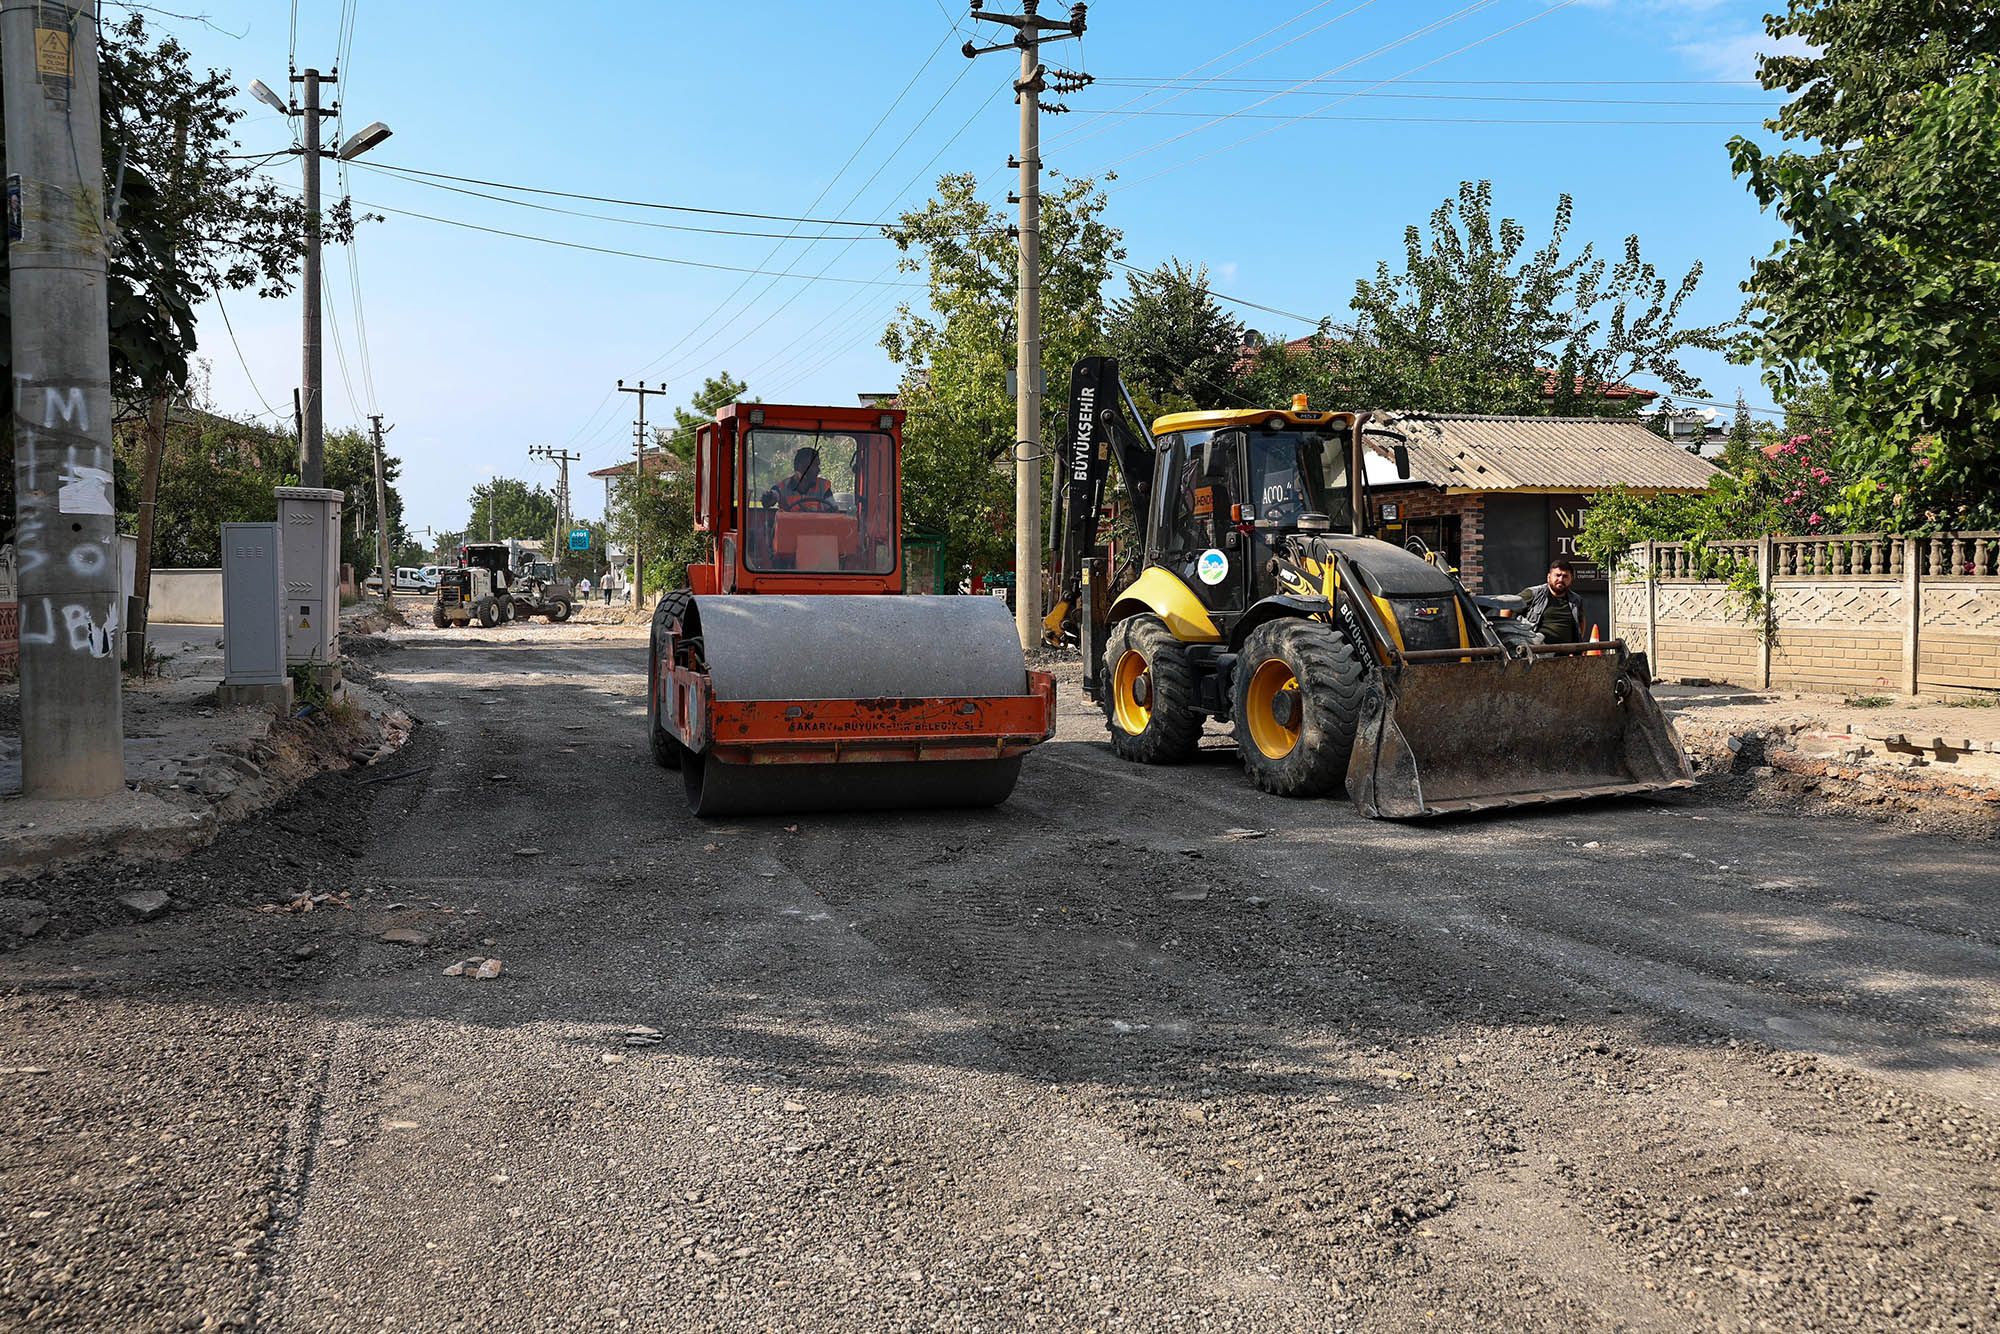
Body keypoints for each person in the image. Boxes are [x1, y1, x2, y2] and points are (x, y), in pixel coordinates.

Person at [1519, 558, 1586, 644]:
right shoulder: (1533, 594)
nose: (1561, 579)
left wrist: (1577, 645)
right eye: (1557, 575)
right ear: (1549, 577)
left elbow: (1581, 621)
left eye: (1565, 576)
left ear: (1571, 578)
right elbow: (1508, 607)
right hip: (1536, 652)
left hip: (1565, 653)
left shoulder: (1576, 600)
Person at [761, 447, 837, 512]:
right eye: (814, 465)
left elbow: (833, 509)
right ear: (801, 467)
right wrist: (769, 497)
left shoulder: (823, 487)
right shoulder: (782, 488)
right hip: (788, 529)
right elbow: (772, 497)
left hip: (817, 529)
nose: (818, 470)